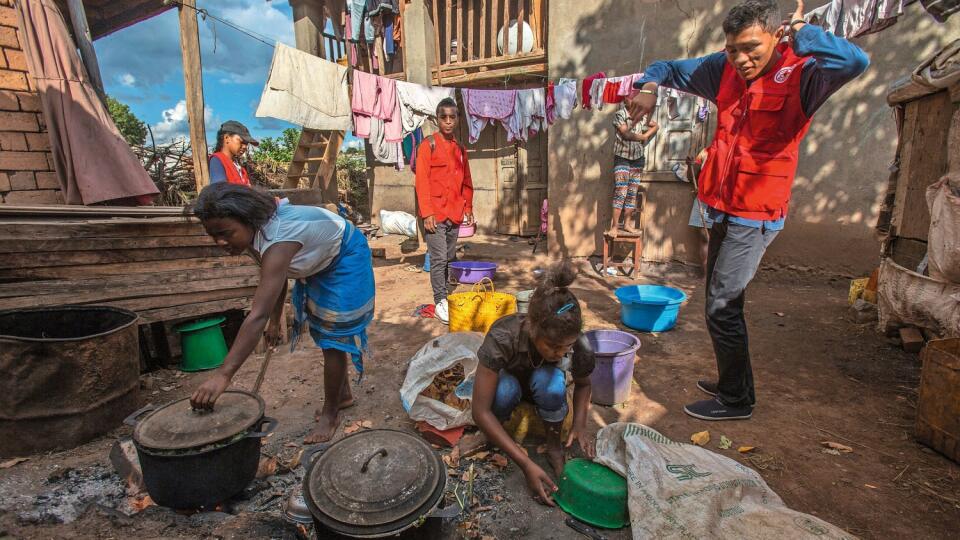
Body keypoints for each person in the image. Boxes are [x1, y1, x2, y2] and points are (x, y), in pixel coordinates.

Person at [626, 0, 868, 420]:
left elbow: (854, 61)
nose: (740, 58)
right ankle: (731, 382)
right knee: (718, 300)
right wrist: (648, 87)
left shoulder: (802, 73)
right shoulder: (722, 68)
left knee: (722, 304)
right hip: (720, 206)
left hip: (755, 214)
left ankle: (737, 400)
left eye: (751, 47)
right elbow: (665, 67)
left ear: (777, 36)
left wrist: (802, 31)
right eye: (733, 47)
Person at [188, 183, 375, 443]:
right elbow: (275, 279)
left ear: (248, 220)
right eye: (213, 236)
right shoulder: (258, 233)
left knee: (334, 338)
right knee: (325, 333)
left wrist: (223, 375)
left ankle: (331, 414)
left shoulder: (279, 237)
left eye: (226, 233)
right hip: (321, 257)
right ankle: (342, 395)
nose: (220, 242)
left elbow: (257, 315)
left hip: (345, 254)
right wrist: (275, 321)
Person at [471, 262, 596, 506]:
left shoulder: (579, 345)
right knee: (506, 390)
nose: (559, 353)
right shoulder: (503, 335)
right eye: (552, 345)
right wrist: (526, 464)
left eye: (566, 347)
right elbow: (479, 410)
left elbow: (584, 384)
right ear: (531, 327)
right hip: (511, 385)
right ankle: (493, 435)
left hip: (542, 386)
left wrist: (580, 424)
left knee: (550, 383)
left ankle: (553, 446)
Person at [415, 97, 474, 325]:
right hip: (435, 215)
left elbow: (467, 181)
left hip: (454, 213)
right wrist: (427, 213)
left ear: (458, 119)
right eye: (444, 117)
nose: (448, 122)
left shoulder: (460, 150)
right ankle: (440, 301)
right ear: (437, 119)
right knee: (438, 259)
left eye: (452, 117)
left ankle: (446, 296)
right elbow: (421, 182)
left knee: (450, 257)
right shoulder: (427, 145)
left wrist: (468, 205)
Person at [607, 103, 658, 238]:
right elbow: (626, 134)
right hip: (622, 157)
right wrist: (643, 137)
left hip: (638, 158)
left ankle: (628, 225)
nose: (633, 100)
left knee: (632, 192)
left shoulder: (642, 116)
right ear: (624, 99)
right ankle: (614, 227)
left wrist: (647, 133)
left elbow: (656, 125)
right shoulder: (620, 115)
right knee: (621, 191)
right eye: (629, 96)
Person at [685, 148, 712, 275]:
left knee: (721, 240)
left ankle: (716, 275)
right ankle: (706, 274)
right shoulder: (705, 152)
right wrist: (690, 166)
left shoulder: (733, 151)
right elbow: (691, 177)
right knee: (704, 238)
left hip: (723, 201)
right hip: (704, 199)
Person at [209, 120, 258, 186]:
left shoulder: (237, 166)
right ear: (227, 138)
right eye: (241, 141)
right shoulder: (217, 161)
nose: (245, 147)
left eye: (246, 143)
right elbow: (220, 190)